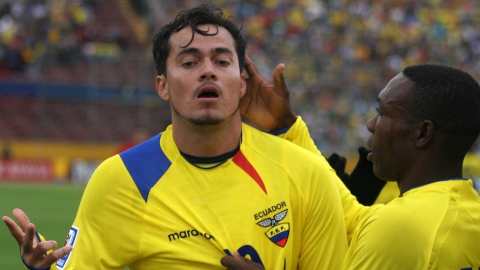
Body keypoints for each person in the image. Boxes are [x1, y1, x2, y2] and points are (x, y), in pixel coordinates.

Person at [3, 6, 350, 269]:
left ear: (242, 83)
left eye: (222, 60)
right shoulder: (120, 180)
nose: (208, 70)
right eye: (189, 62)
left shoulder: (306, 174)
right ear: (163, 87)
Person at [221, 64, 480, 269]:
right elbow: (352, 215)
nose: (371, 124)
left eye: (384, 113)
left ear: (422, 133)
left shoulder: (401, 227)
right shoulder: (466, 212)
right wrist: (285, 125)